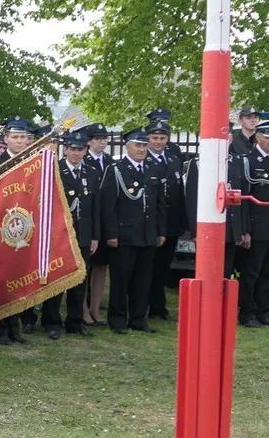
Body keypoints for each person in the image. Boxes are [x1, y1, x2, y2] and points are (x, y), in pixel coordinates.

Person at [100, 127, 167, 334]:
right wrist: (111, 234)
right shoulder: (116, 169)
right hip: (125, 235)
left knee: (143, 280)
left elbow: (159, 204)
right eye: (137, 145)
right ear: (127, 146)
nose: (141, 149)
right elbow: (108, 206)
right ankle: (118, 320)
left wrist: (160, 230)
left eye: (143, 145)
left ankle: (138, 319)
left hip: (147, 234)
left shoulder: (153, 168)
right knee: (121, 281)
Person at [40, 131, 99, 339]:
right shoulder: (55, 171)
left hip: (83, 235)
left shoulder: (91, 173)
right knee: (57, 279)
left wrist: (95, 236)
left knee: (79, 280)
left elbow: (95, 208)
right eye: (73, 149)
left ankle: (75, 321)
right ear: (65, 149)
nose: (76, 153)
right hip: (59, 234)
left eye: (80, 149)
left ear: (85, 150)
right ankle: (51, 322)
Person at [183, 130, 249, 290]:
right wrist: (195, 232)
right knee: (207, 272)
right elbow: (192, 200)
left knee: (226, 271)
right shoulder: (198, 163)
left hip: (231, 227)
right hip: (208, 227)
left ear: (231, 139)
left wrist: (243, 230)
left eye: (227, 138)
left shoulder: (238, 162)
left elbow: (243, 197)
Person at [0, 116, 35, 341]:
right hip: (0, 229)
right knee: (2, 276)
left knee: (19, 273)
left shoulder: (32, 163)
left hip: (24, 227)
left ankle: (14, 328)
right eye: (15, 137)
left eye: (23, 137)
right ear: (6, 139)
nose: (19, 141)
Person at [145, 117, 186, 322]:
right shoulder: (144, 160)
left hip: (170, 222)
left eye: (162, 138)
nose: (159, 142)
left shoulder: (173, 160)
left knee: (163, 266)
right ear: (148, 138)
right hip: (151, 223)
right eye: (155, 138)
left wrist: (182, 222)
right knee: (148, 267)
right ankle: (145, 304)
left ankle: (159, 306)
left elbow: (179, 193)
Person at [81, 123, 114, 327]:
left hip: (105, 219)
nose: (102, 142)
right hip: (87, 219)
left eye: (105, 138)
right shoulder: (82, 160)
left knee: (101, 265)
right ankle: (83, 308)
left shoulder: (110, 162)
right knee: (85, 267)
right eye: (97, 138)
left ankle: (95, 307)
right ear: (89, 141)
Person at [238, 118, 269, 327]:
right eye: (268, 138)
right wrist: (245, 230)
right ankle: (247, 312)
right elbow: (242, 200)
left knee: (267, 272)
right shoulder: (248, 161)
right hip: (256, 227)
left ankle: (263, 310)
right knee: (251, 272)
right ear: (258, 137)